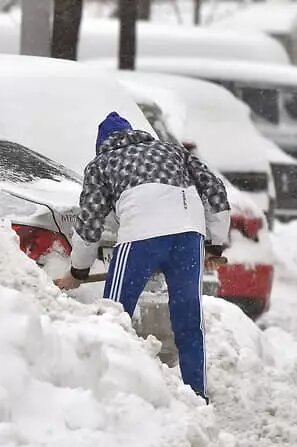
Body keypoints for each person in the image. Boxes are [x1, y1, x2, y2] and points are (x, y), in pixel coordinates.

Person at [55, 112, 231, 402]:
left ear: (103, 144)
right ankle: (197, 395)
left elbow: (89, 223)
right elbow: (215, 189)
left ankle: (112, 394)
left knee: (113, 315)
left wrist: (78, 272)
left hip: (140, 238)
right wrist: (215, 245)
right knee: (188, 321)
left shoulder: (101, 164)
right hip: (189, 235)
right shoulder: (172, 151)